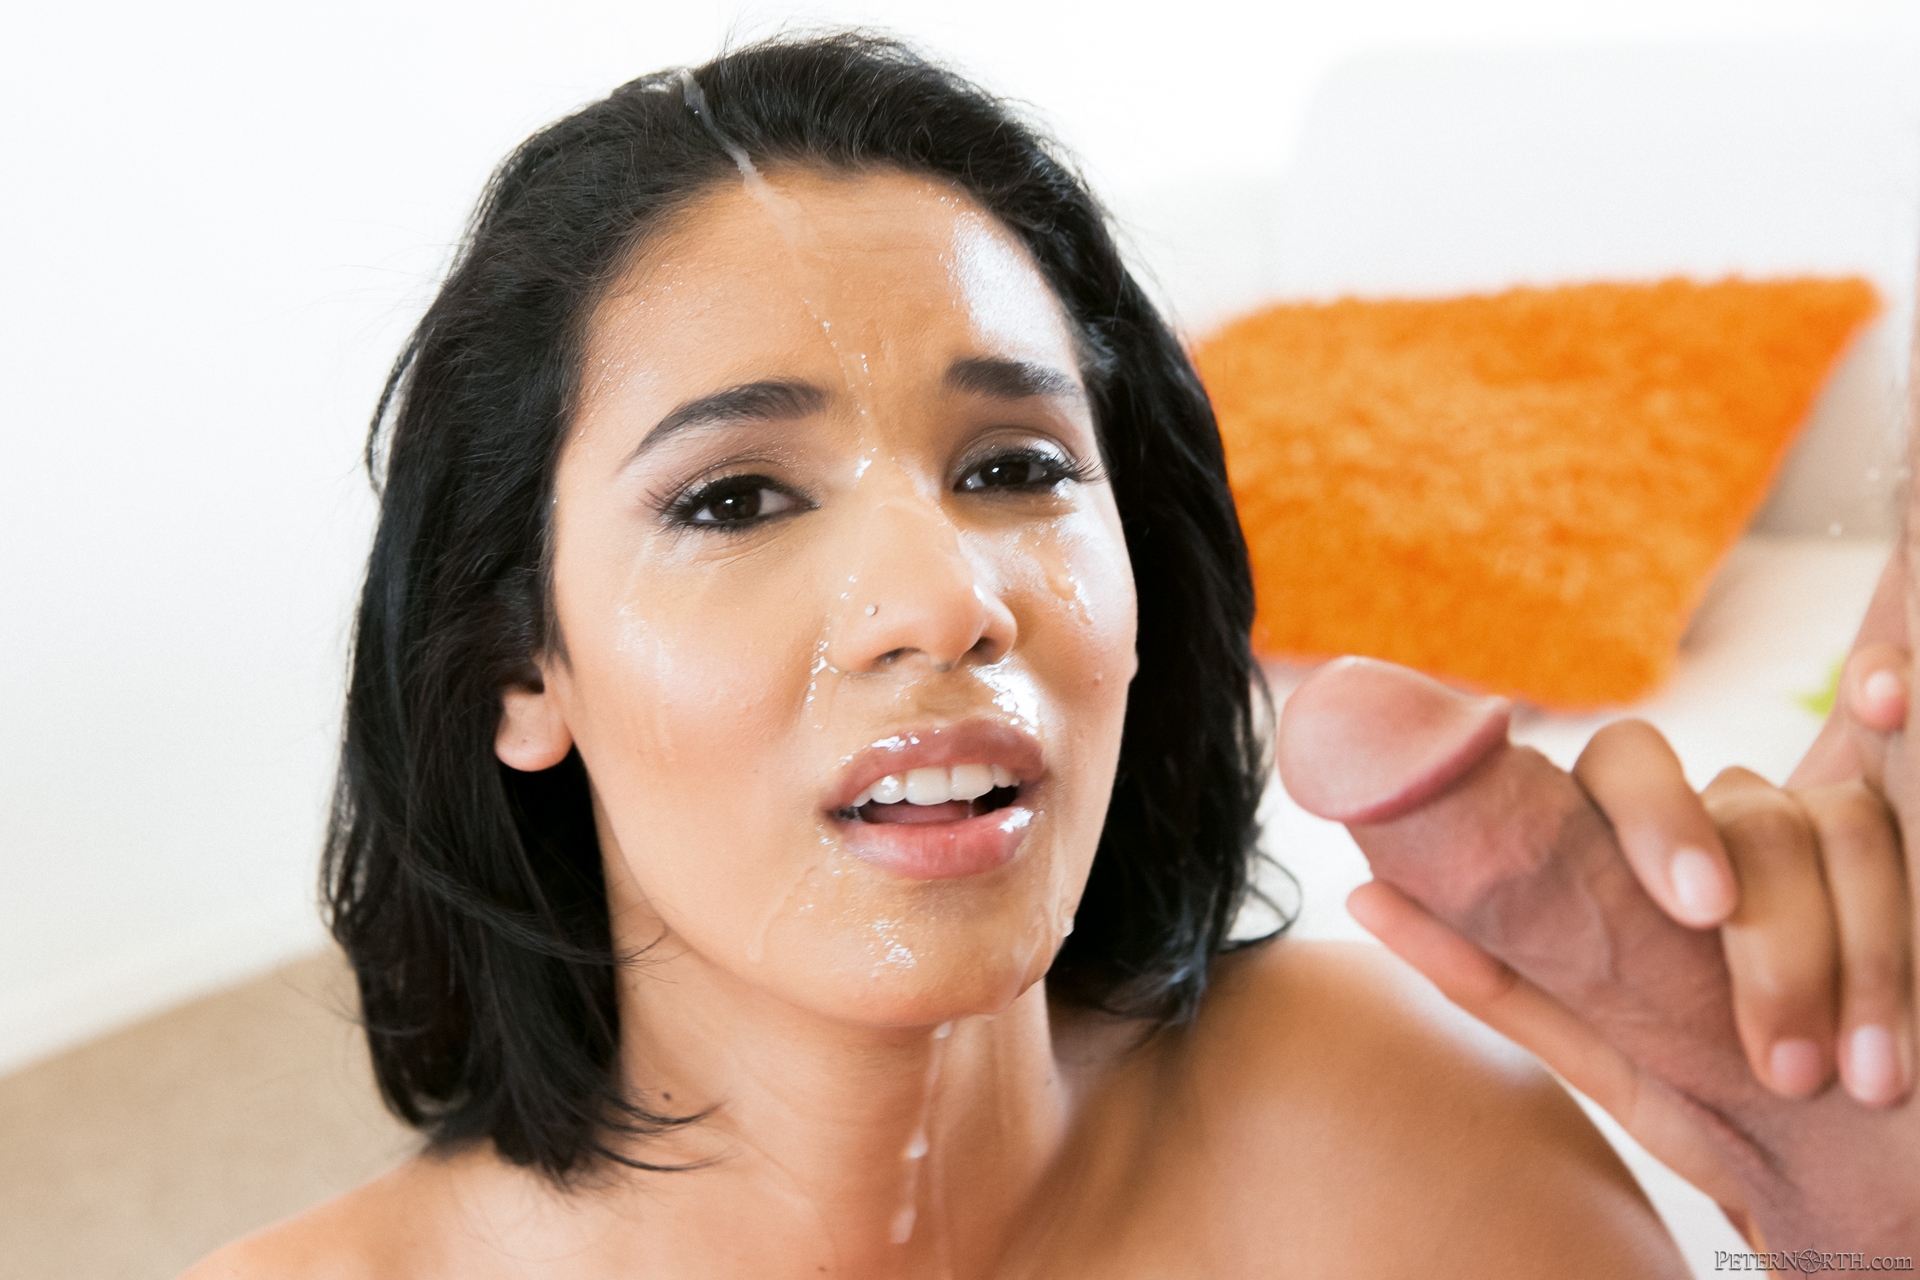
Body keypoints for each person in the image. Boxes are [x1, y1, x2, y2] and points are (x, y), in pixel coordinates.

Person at [186, 33, 1905, 1278]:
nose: (944, 601)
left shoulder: (1396, 1134)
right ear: (520, 666)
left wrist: (1853, 1218)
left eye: (1015, 468)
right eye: (733, 498)